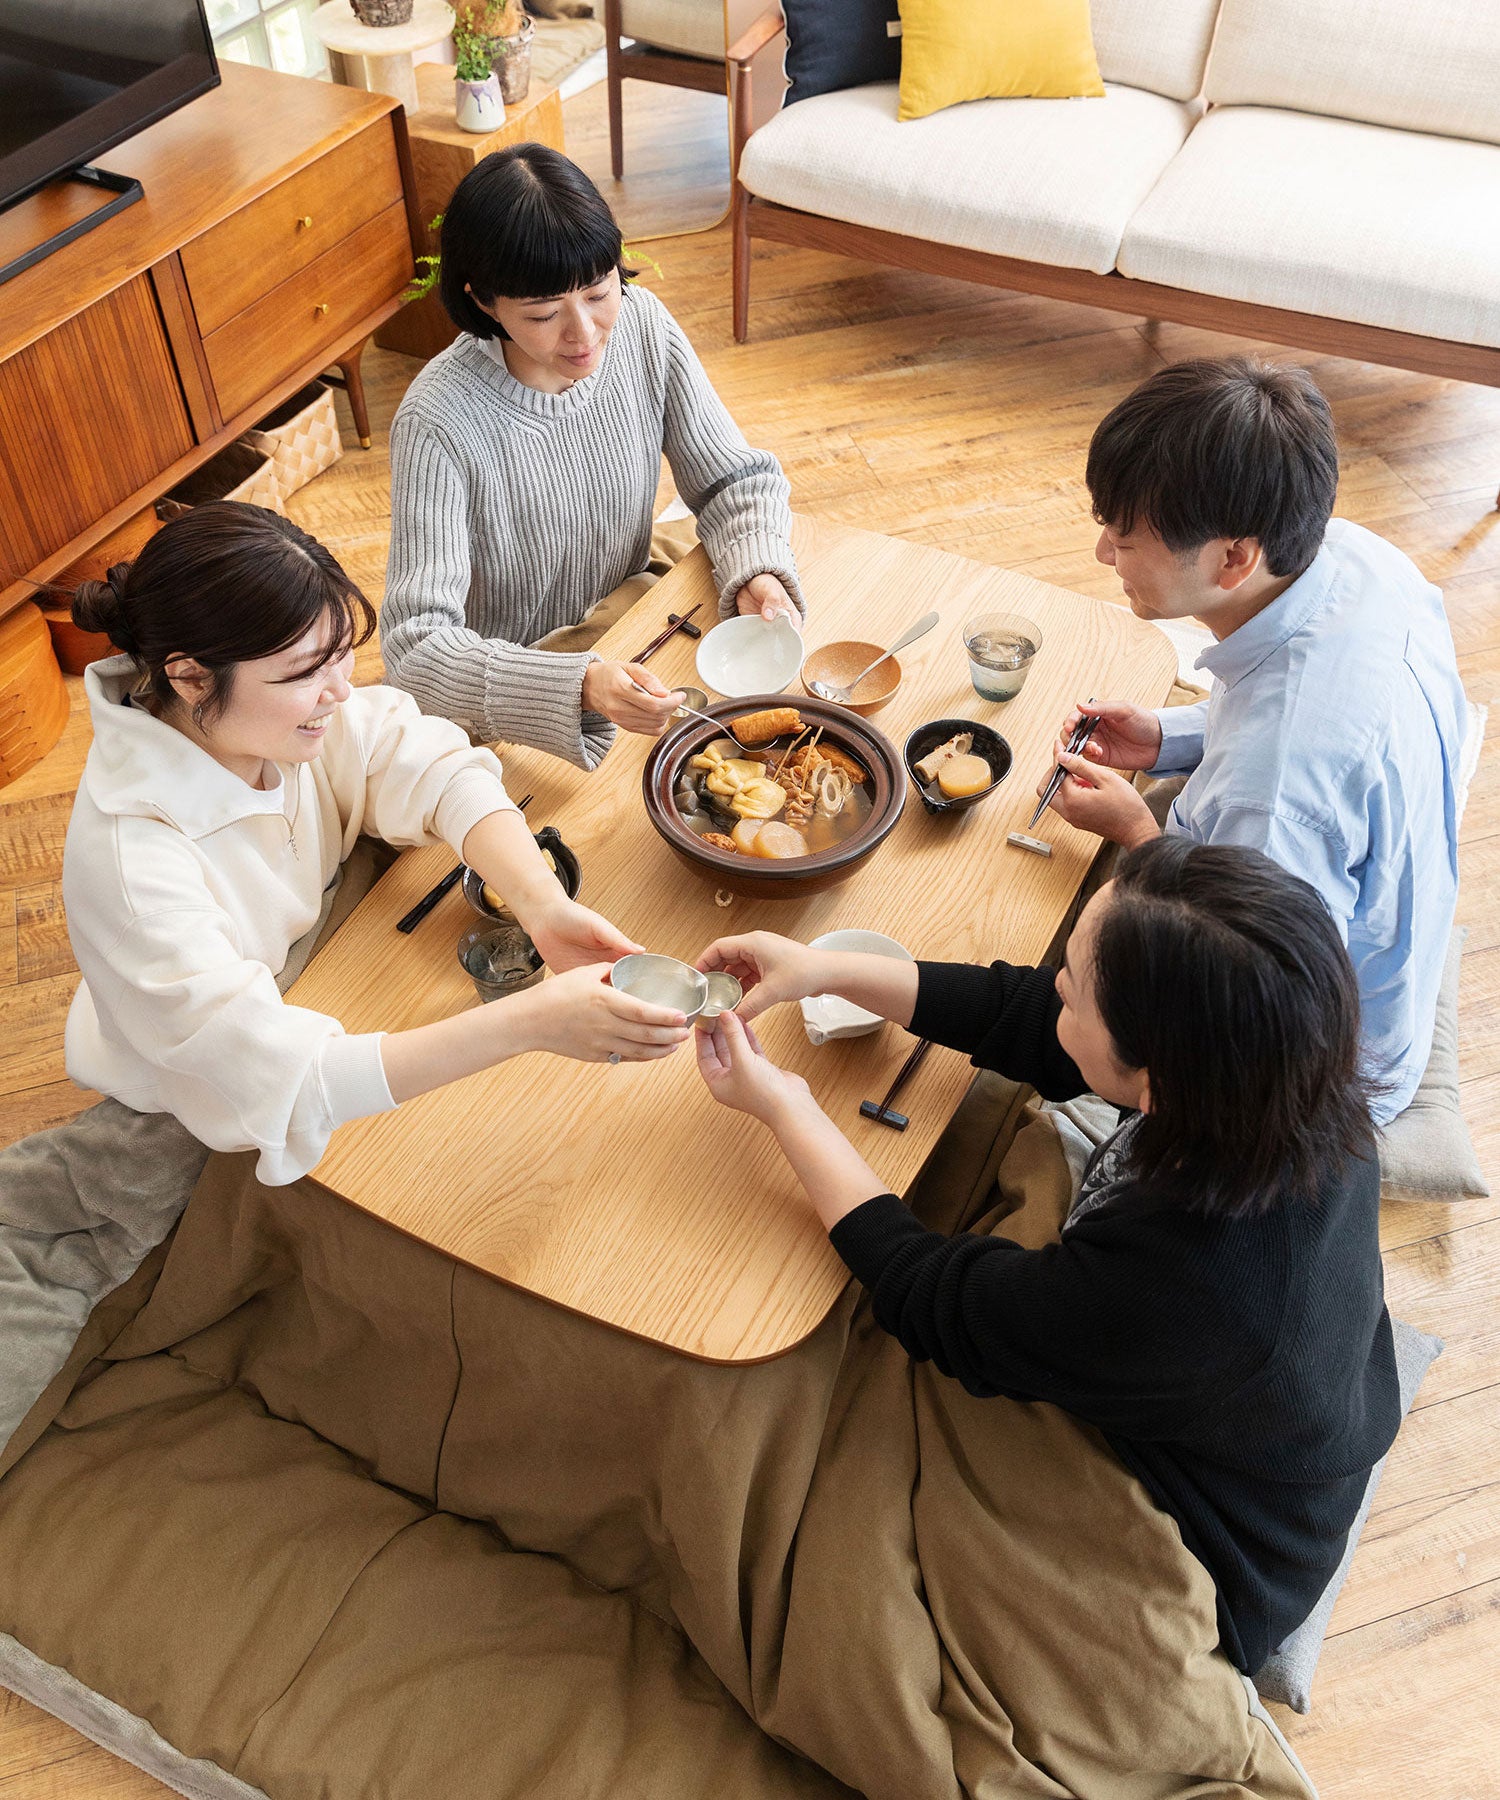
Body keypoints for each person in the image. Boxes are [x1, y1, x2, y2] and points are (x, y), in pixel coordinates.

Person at [692, 837, 1400, 1677]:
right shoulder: (1284, 1071)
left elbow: (931, 1300)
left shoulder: (1186, 1289)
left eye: (1076, 998)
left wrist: (787, 1110)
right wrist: (821, 969)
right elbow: (1034, 1018)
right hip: (1273, 1408)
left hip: (1225, 1548)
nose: (1054, 997)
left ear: (1156, 1085)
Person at [62, 503, 691, 1188]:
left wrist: (542, 905)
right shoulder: (133, 869)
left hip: (319, 964)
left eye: (340, 656)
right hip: (195, 1072)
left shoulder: (261, 717)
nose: (339, 691)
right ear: (189, 677)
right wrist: (528, 1023)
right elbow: (281, 1083)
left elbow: (432, 765)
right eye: (305, 672)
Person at [1036, 357, 1465, 1123]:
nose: (1105, 553)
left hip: (1309, 1067)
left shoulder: (1274, 796)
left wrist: (1139, 833)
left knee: (1049, 992)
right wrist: (1167, 735)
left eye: (1126, 537)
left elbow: (1249, 984)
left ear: (1235, 556)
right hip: (1365, 917)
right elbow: (1280, 707)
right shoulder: (1358, 557)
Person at [383, 143, 804, 773]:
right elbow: (415, 652)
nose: (584, 334)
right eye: (545, 313)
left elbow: (731, 481)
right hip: (520, 687)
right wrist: (576, 683)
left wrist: (755, 571)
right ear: (481, 303)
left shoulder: (642, 326)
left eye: (599, 291)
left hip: (637, 620)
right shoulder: (436, 421)